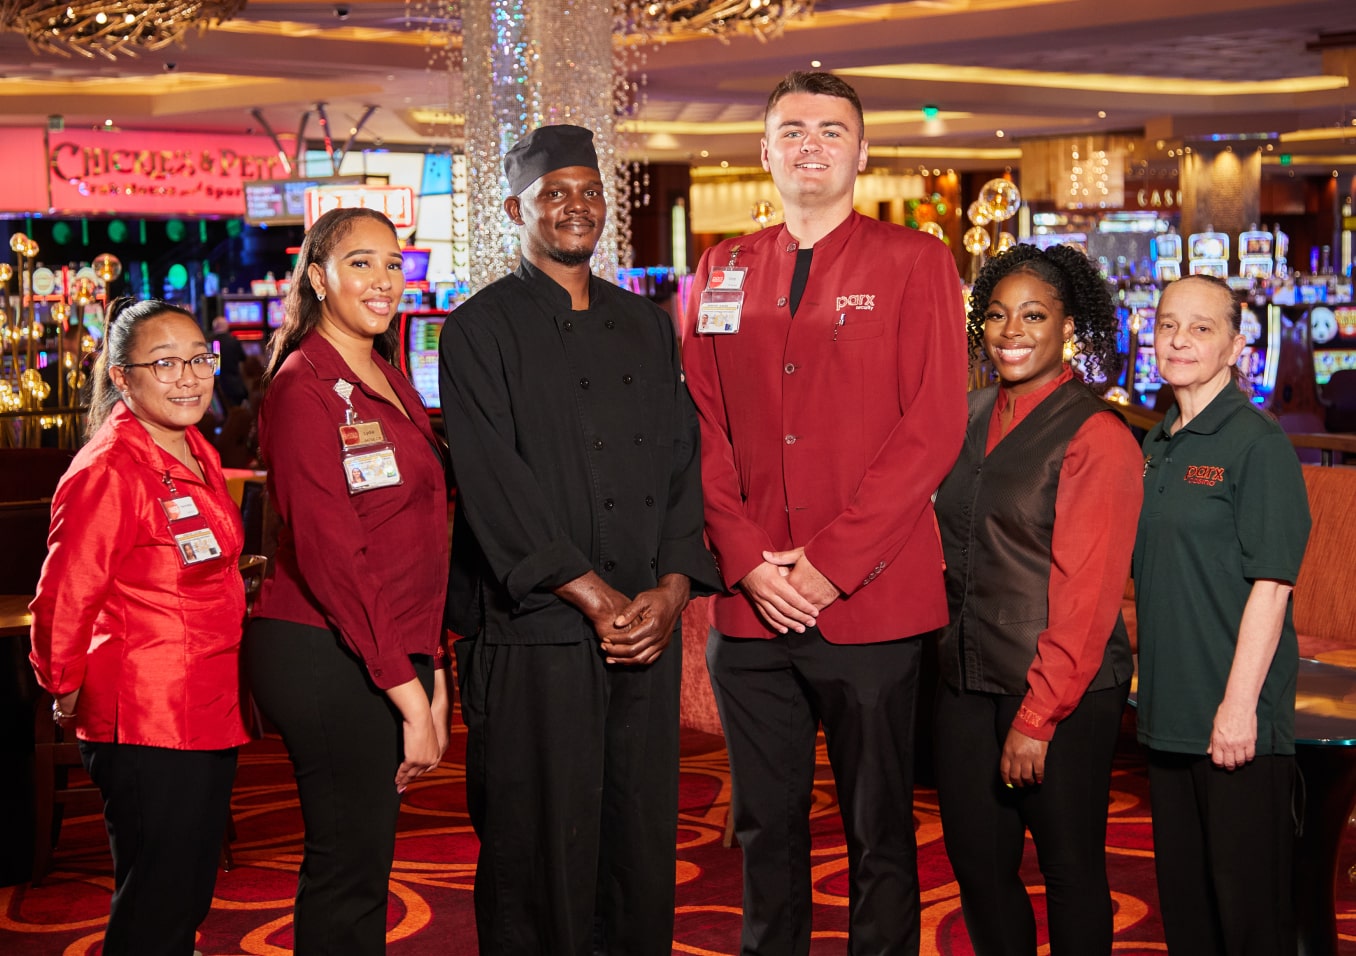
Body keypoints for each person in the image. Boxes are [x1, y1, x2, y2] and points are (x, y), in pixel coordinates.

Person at [681, 71, 969, 954]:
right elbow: (701, 422)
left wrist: (828, 565)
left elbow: (934, 428)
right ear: (765, 152)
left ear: (863, 151)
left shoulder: (916, 261)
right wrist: (750, 560)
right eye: (793, 130)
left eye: (831, 130)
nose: (812, 145)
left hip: (872, 603)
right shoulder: (721, 267)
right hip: (751, 603)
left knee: (879, 832)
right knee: (766, 830)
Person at [438, 124, 718, 955]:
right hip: (540, 632)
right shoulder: (479, 330)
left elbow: (678, 463)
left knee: (636, 839)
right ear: (514, 209)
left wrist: (670, 590)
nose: (575, 208)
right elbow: (495, 485)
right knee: (538, 846)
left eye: (588, 192)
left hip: (645, 628)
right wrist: (594, 597)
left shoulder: (645, 324)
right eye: (553, 194)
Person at [244, 207, 451, 954]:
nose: (383, 279)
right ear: (320, 278)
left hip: (385, 646)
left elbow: (419, 535)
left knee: (365, 858)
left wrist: (433, 673)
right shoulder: (302, 387)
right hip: (322, 650)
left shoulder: (385, 371)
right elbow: (335, 557)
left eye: (393, 263)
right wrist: (409, 693)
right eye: (360, 262)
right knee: (348, 864)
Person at [931, 244, 1143, 955]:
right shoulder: (966, 413)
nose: (1010, 331)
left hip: (1062, 690)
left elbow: (1087, 596)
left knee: (1069, 869)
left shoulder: (1098, 433)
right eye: (995, 314)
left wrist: (1037, 717)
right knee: (979, 870)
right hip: (965, 679)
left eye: (1032, 315)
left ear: (1067, 325)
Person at [29, 297, 247, 956]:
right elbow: (64, 594)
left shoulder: (192, 446)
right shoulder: (109, 467)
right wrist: (61, 682)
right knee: (159, 899)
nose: (187, 377)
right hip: (150, 714)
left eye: (197, 360)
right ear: (124, 378)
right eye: (164, 364)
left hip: (206, 701)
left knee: (184, 890)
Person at [1134, 274, 1310, 956]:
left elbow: (1273, 585)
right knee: (1190, 918)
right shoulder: (1159, 442)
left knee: (1249, 923)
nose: (1180, 340)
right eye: (1168, 324)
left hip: (1235, 722)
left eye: (1201, 328)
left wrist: (1239, 708)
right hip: (1169, 716)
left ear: (1235, 346)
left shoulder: (1256, 444)